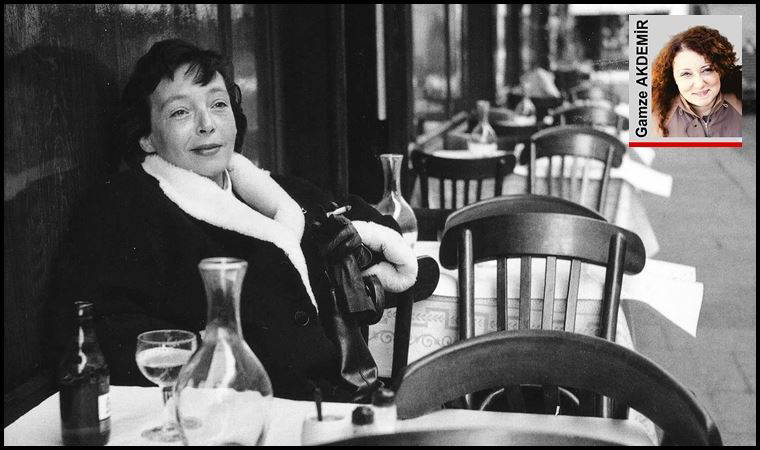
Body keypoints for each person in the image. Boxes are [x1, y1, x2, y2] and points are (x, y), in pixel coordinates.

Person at [44, 39, 417, 402]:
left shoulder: (265, 189)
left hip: (332, 401)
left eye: (218, 104)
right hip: (238, 410)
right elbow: (97, 331)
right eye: (180, 112)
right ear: (146, 137)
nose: (207, 124)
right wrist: (210, 355)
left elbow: (371, 224)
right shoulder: (122, 207)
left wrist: (357, 252)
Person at [651, 25, 742, 138]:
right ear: (672, 78)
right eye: (686, 74)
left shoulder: (741, 106)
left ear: (721, 69)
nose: (699, 84)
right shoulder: (655, 122)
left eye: (707, 70)